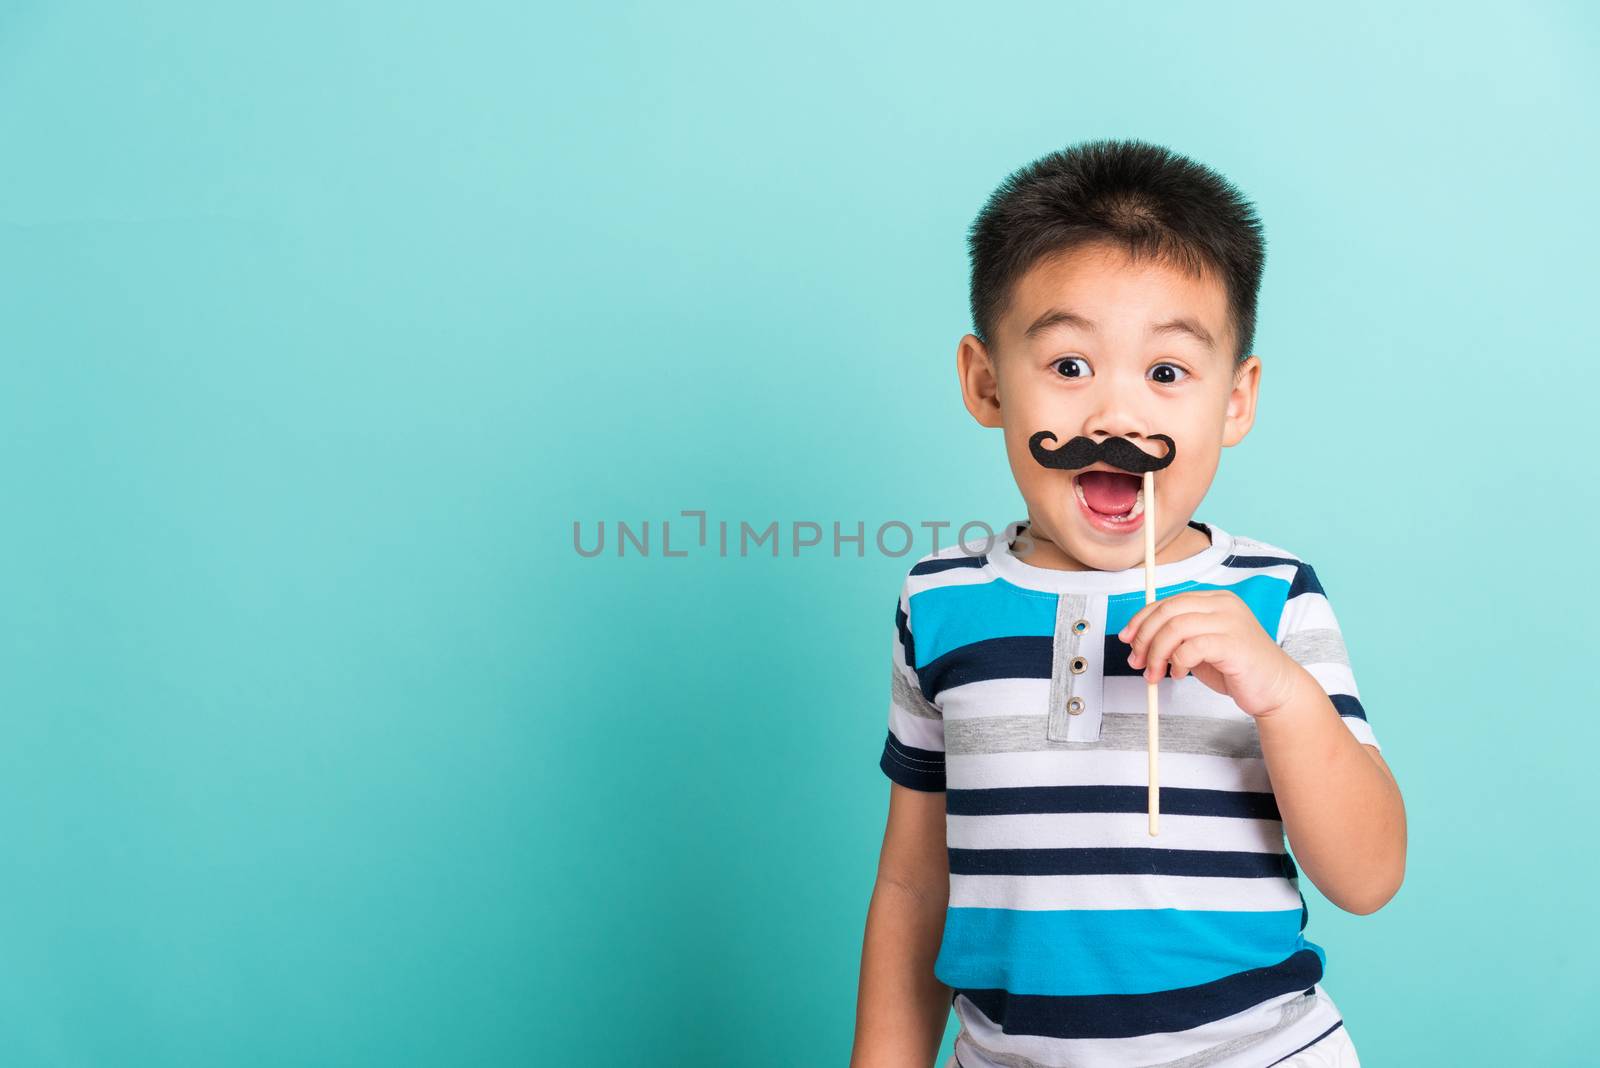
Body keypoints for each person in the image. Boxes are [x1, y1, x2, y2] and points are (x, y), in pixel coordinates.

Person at [850, 139, 1405, 1068]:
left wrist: (1281, 696)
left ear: (1236, 400)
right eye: (1070, 366)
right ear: (987, 383)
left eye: (1167, 372)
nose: (1114, 416)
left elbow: (1369, 875)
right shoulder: (941, 602)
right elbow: (914, 883)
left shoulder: (1271, 598)